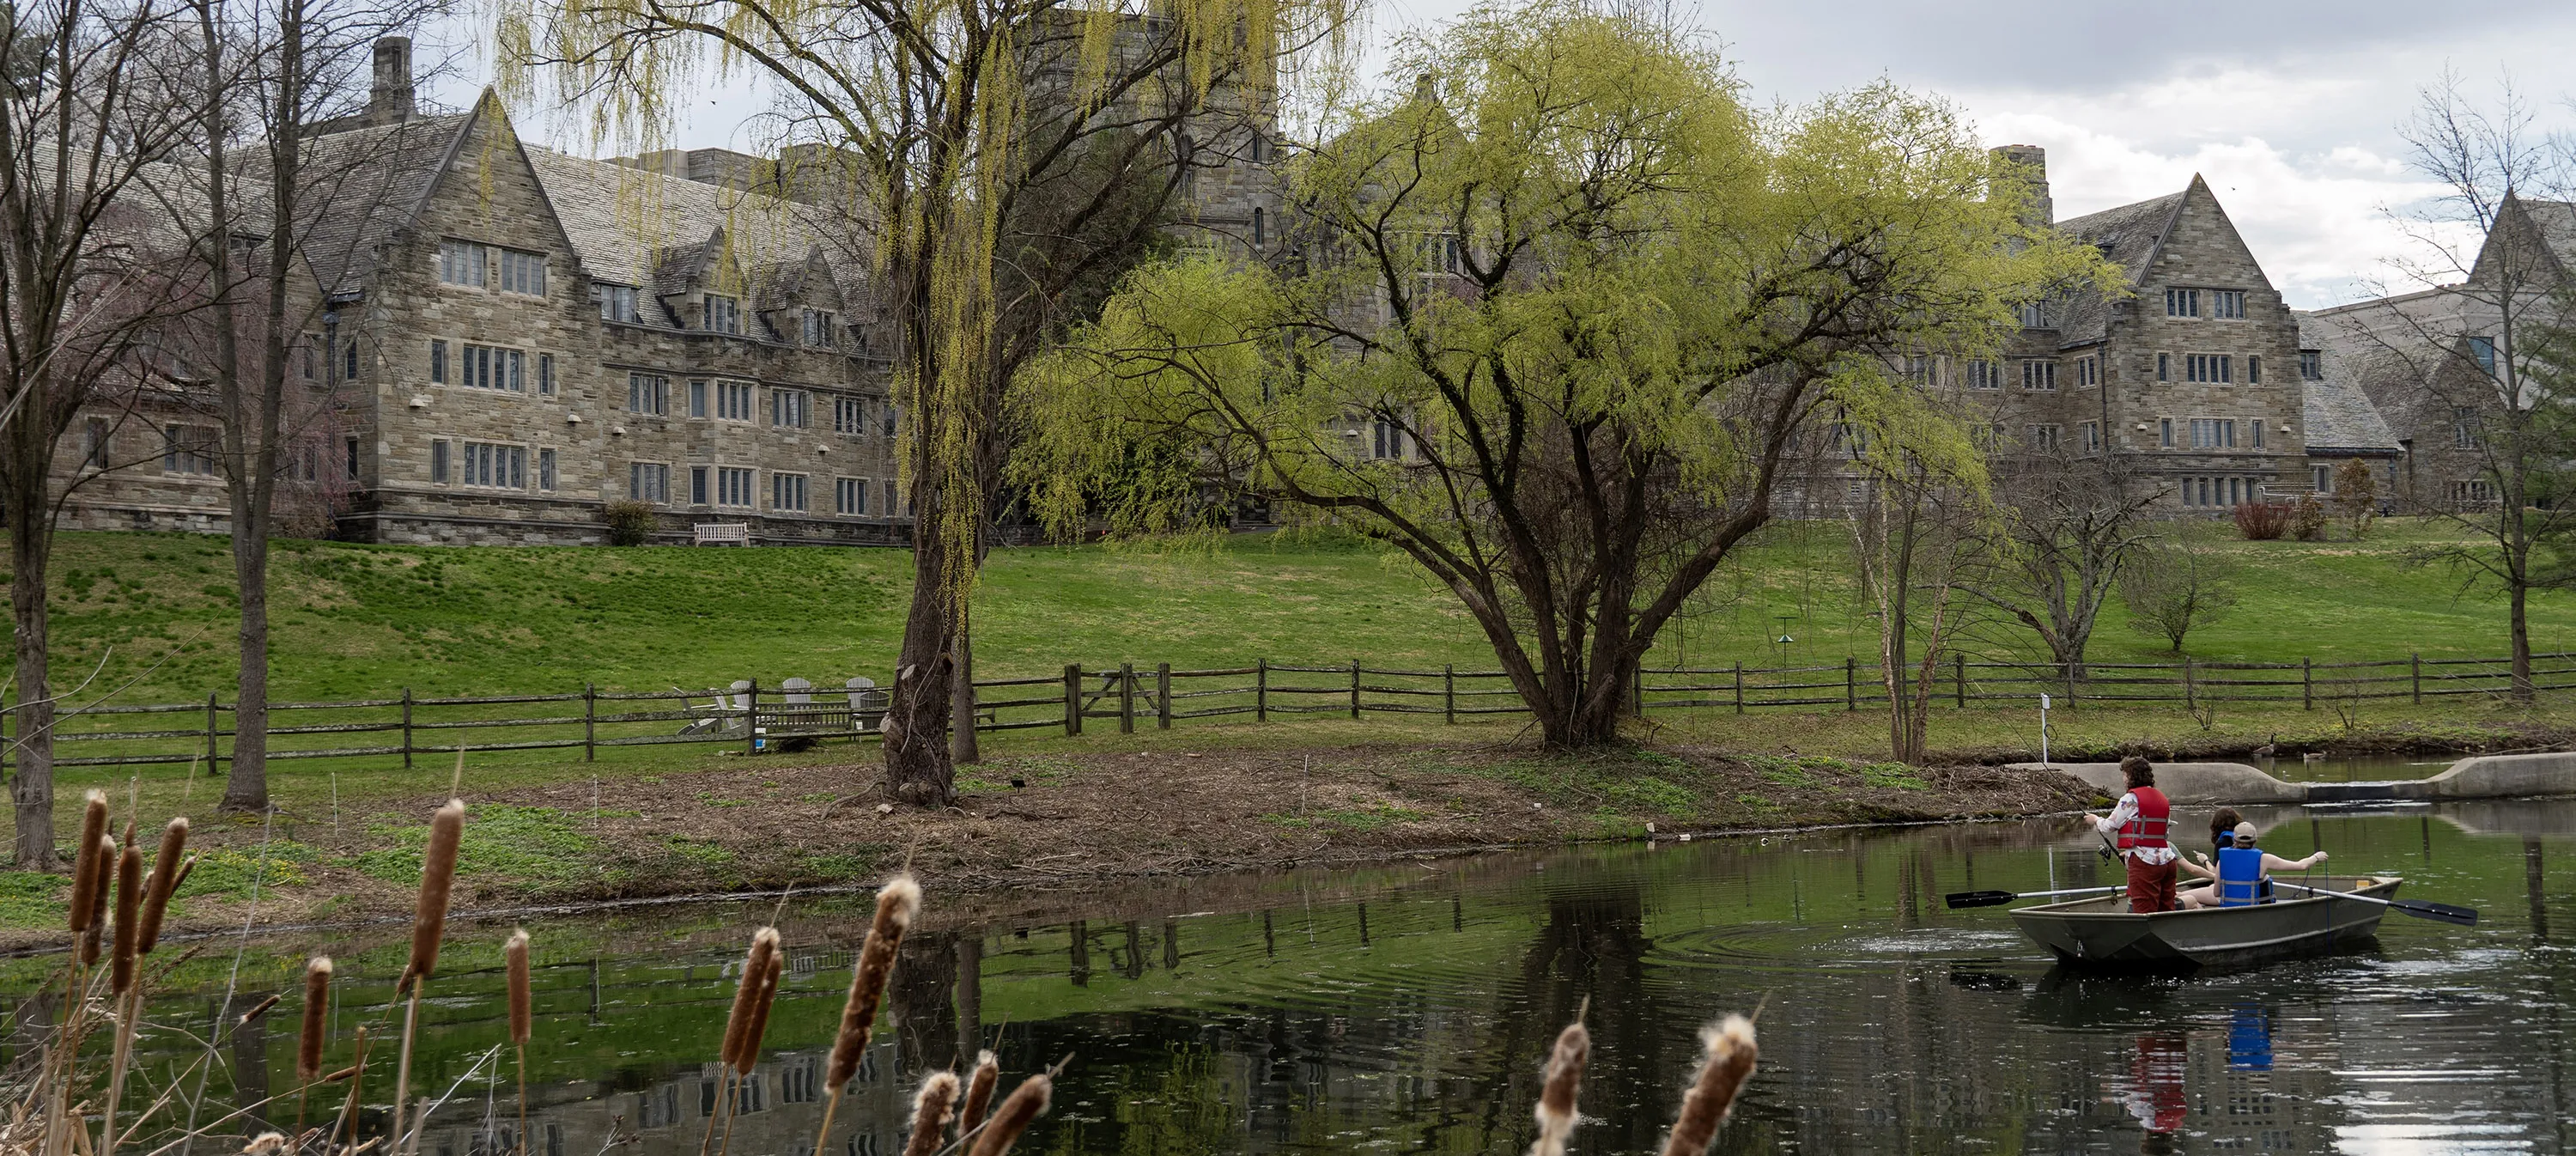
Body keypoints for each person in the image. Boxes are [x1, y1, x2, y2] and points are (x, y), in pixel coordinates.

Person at [2087, 756, 2178, 913]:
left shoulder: (2131, 798)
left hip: (2145, 863)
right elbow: (2162, 832)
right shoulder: (2162, 798)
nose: (2123, 779)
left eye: (2125, 775)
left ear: (2131, 775)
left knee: (2144, 912)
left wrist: (2095, 820)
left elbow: (2109, 826)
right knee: (2166, 911)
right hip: (2168, 861)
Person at [2182, 822, 2326, 907]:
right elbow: (2301, 866)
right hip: (2253, 907)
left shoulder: (2222, 860)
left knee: (2210, 888)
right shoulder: (2264, 859)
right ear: (2255, 841)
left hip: (2229, 908)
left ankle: (2178, 899)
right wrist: (2315, 857)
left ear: (2235, 840)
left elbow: (2217, 893)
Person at [2175, 807, 2247, 910]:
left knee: (2182, 895)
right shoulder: (2245, 842)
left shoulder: (2222, 842)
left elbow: (2215, 872)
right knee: (2210, 887)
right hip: (2244, 891)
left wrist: (2205, 860)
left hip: (2228, 893)